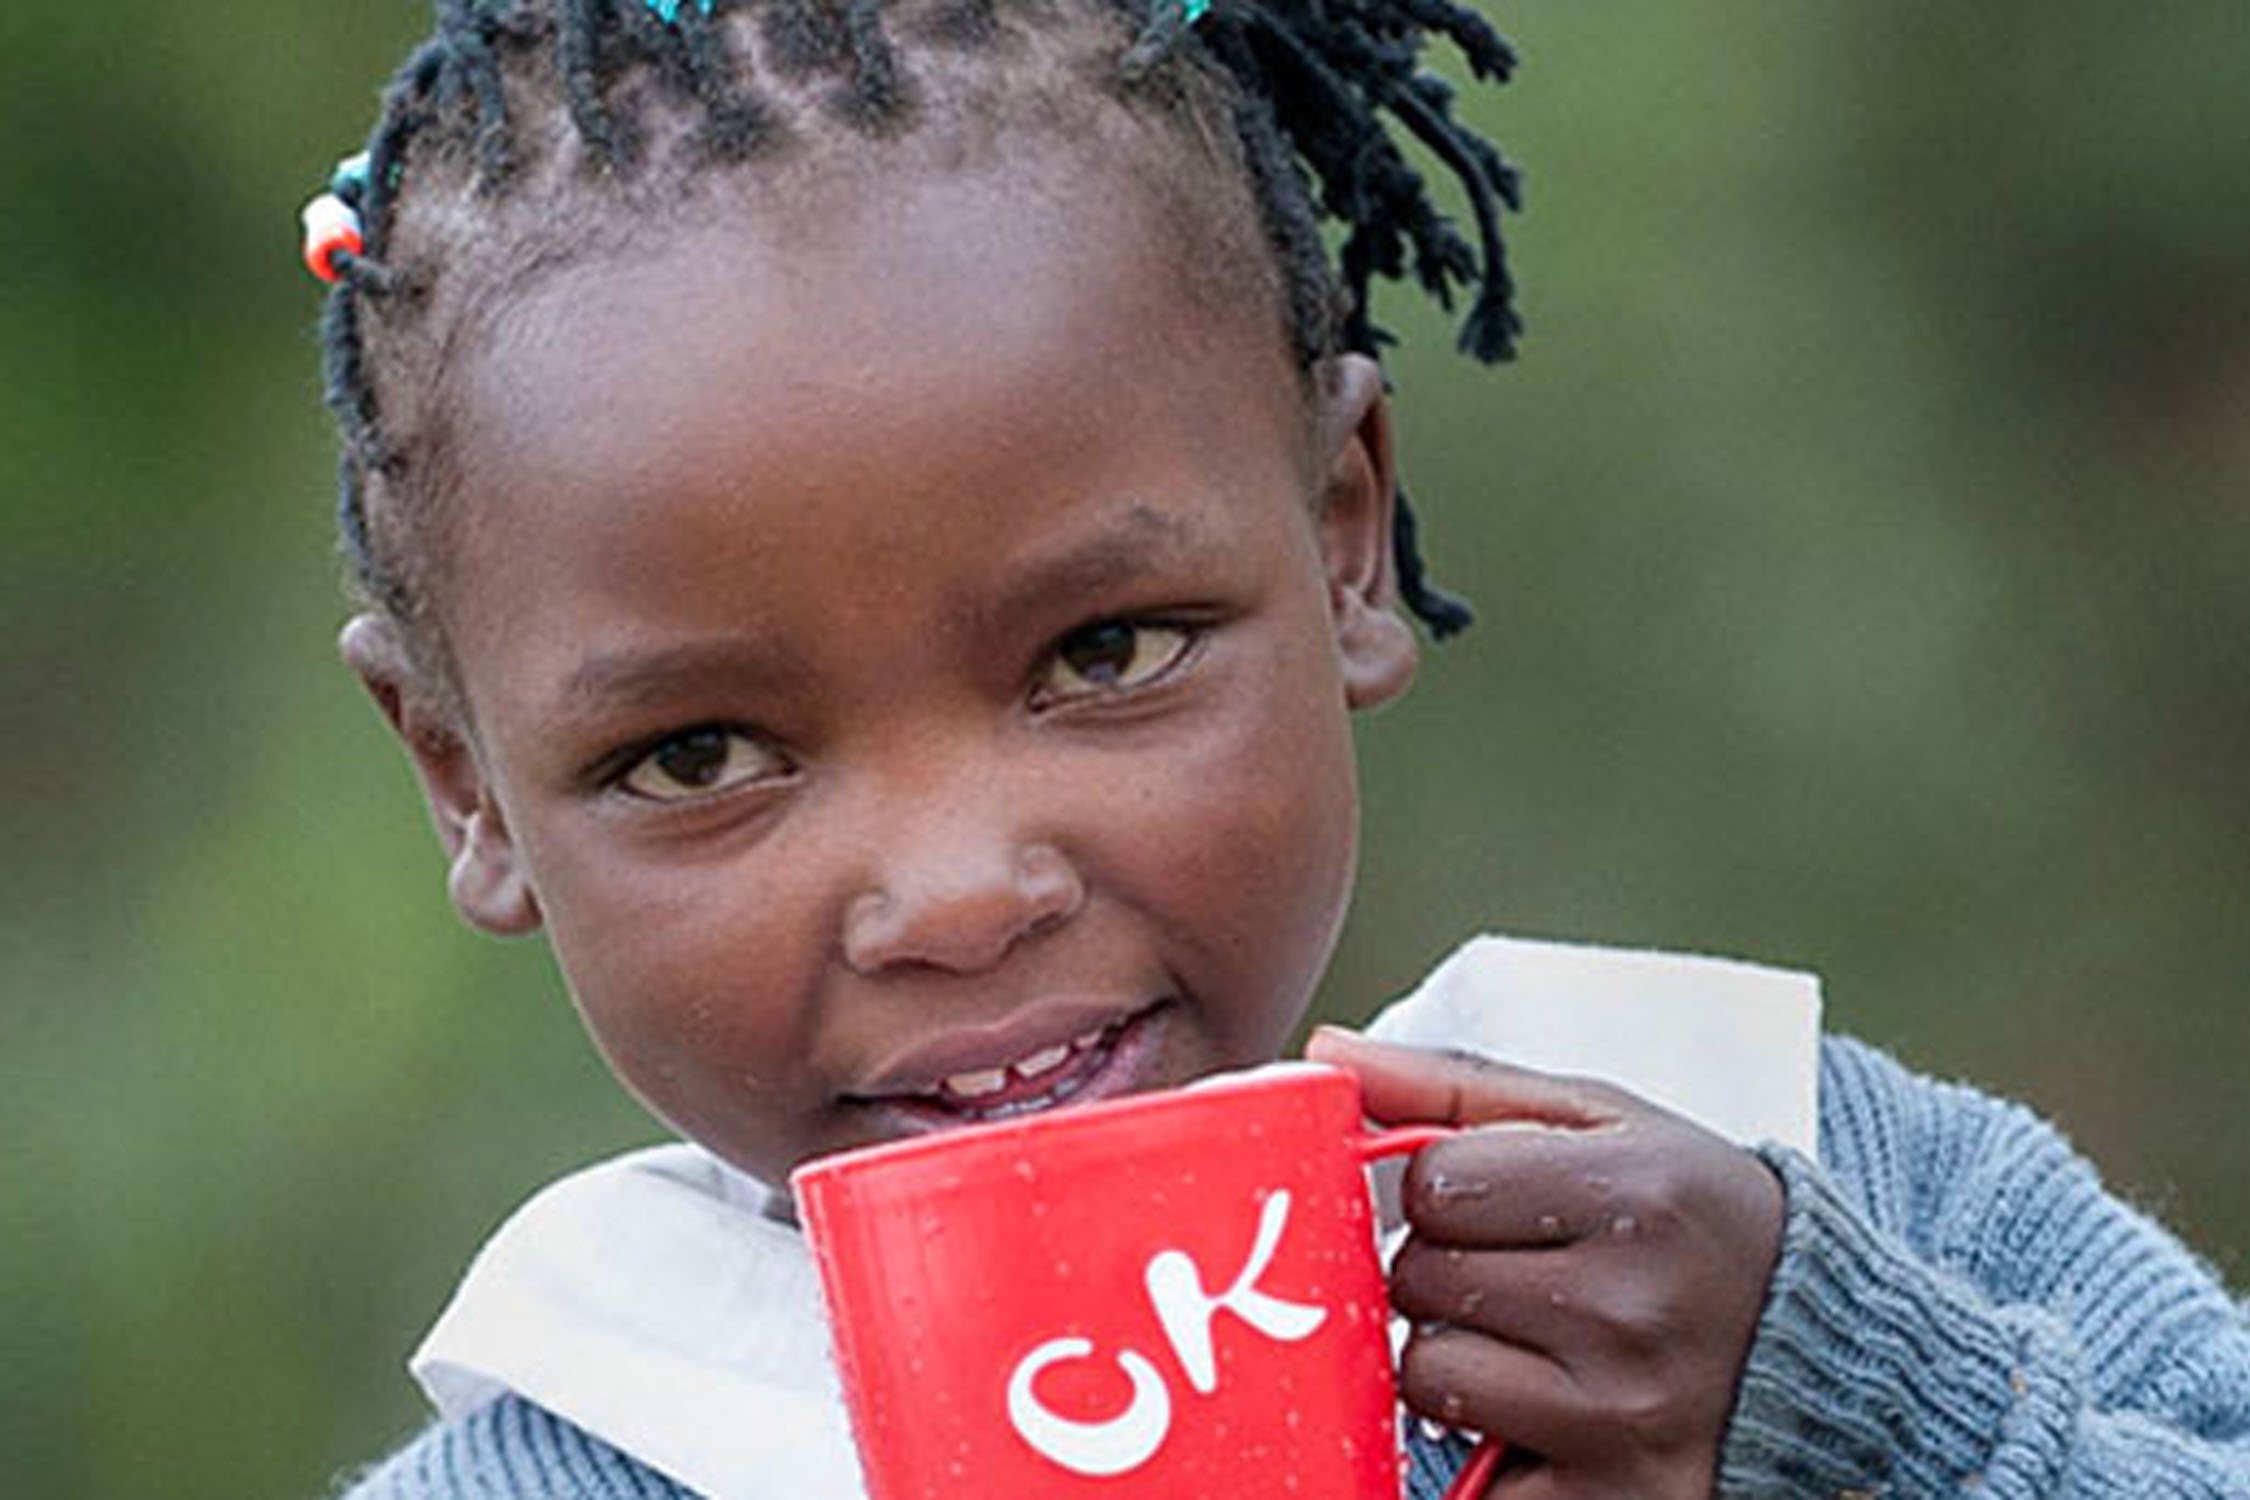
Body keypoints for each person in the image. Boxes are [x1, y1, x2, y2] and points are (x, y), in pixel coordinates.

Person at [304, 0, 2250, 1496]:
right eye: (703, 753)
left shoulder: (1808, 1206)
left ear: (1342, 533)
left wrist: (1849, 1423)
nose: (963, 893)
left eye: (1106, 647)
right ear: (467, 777)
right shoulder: (587, 1431)